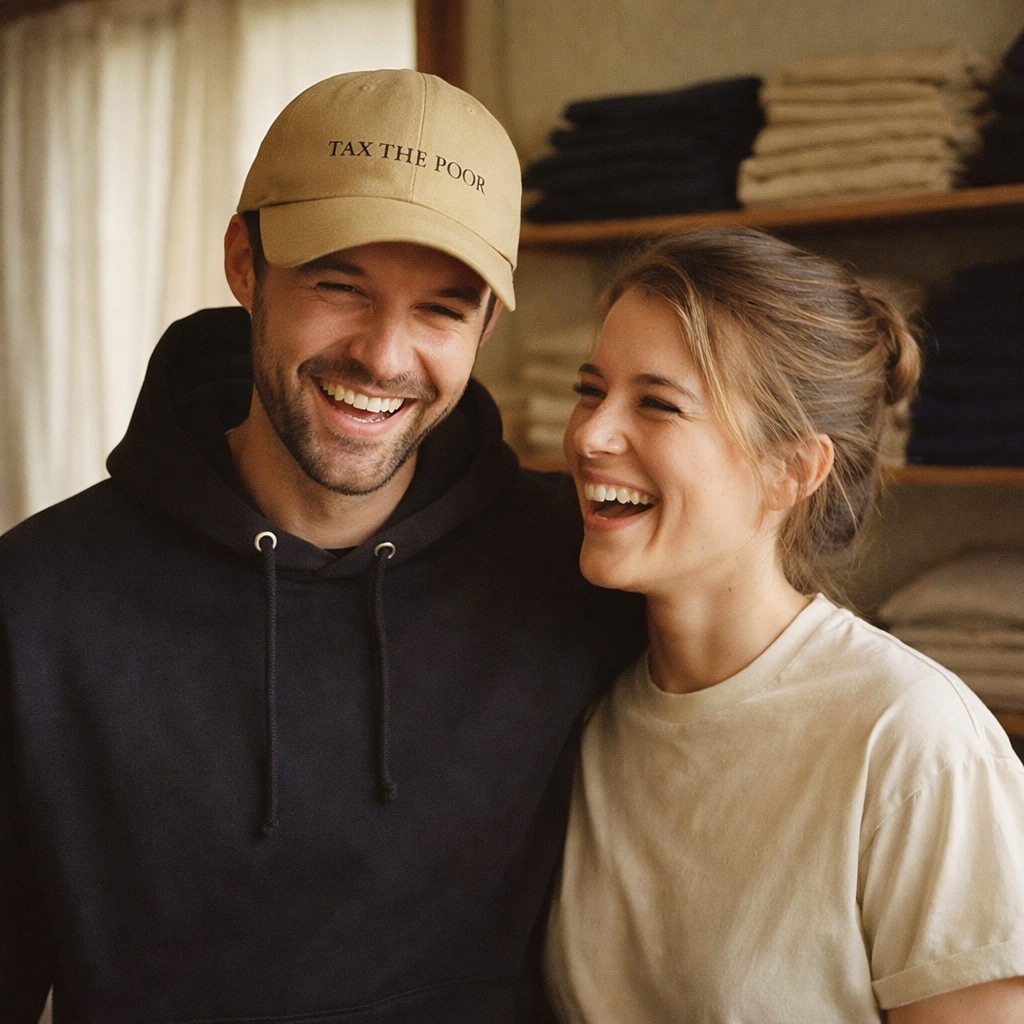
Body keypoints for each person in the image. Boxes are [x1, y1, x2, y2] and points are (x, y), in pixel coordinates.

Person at [0, 70, 644, 1023]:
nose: (384, 357)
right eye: (339, 285)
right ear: (244, 264)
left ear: (488, 325)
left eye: (441, 308)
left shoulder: (575, 563)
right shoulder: (37, 601)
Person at [543, 227, 1024, 1023]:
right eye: (591, 389)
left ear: (792, 470)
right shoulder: (583, 714)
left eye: (656, 404)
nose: (590, 435)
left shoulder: (909, 740)